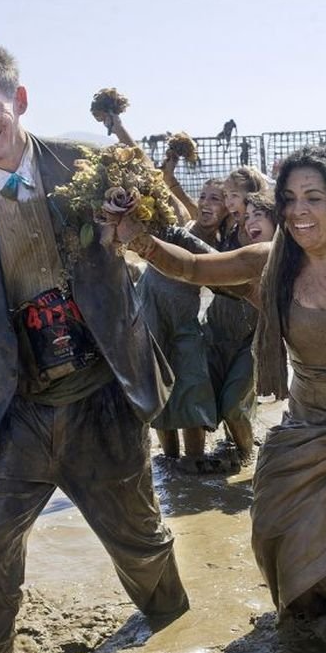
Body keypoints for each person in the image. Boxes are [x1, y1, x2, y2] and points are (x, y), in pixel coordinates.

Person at [110, 146, 326, 637]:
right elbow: (193, 269)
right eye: (291, 198)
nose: (299, 211)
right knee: (278, 528)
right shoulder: (269, 262)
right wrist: (141, 243)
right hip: (308, 424)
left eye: (314, 197)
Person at [0, 38, 188, 653]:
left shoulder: (89, 168)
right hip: (14, 403)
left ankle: (177, 643)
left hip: (101, 393)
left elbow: (167, 236)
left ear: (18, 100)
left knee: (140, 543)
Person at [135, 179, 228, 471]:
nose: (206, 203)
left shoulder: (224, 246)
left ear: (229, 208)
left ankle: (194, 459)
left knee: (193, 381)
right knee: (157, 382)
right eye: (203, 197)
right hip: (150, 307)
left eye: (215, 199)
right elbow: (162, 185)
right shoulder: (184, 225)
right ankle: (169, 461)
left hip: (184, 316)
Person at [202, 192, 276, 467]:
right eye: (246, 217)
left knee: (233, 406)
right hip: (216, 332)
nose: (249, 222)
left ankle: (249, 463)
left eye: (258, 215)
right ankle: (235, 449)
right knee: (211, 402)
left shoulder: (289, 256)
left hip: (253, 341)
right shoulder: (232, 241)